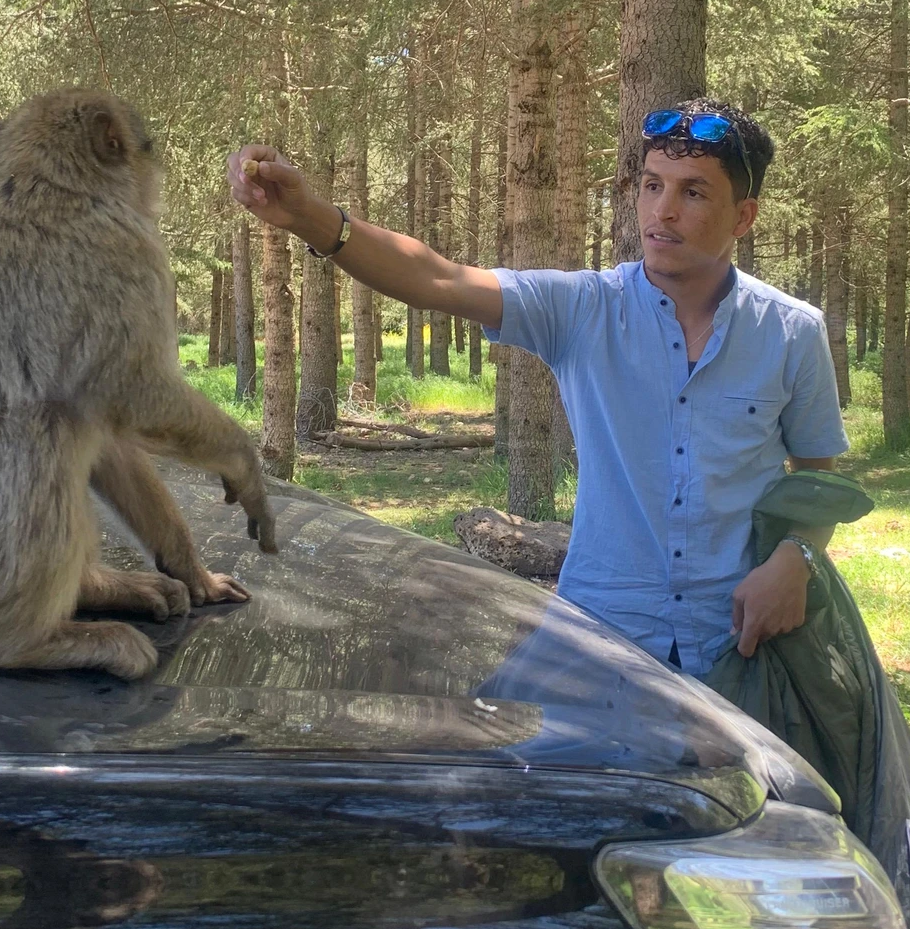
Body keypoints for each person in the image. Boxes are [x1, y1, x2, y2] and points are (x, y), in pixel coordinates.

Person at [227, 100, 846, 679]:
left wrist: (797, 557)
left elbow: (818, 478)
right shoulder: (583, 309)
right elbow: (437, 279)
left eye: (693, 192)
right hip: (603, 640)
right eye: (652, 185)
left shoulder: (792, 332)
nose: (662, 211)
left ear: (743, 215)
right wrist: (309, 215)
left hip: (742, 646)